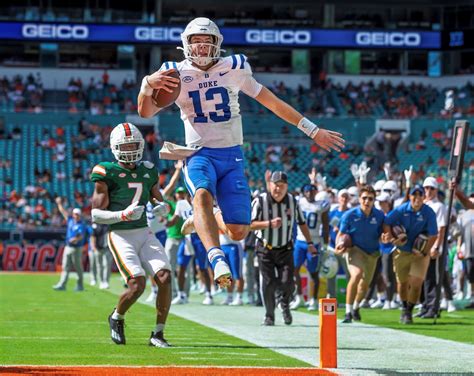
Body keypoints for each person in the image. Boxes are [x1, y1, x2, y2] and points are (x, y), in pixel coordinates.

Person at [137, 17, 344, 288]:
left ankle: (199, 220)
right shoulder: (173, 72)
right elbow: (146, 111)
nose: (200, 48)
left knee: (238, 231)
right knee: (201, 194)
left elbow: (272, 102)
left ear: (217, 44)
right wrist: (147, 84)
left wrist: (312, 130)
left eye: (206, 42)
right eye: (195, 42)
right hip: (197, 153)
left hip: (231, 155)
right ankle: (215, 256)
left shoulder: (234, 67)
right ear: (186, 45)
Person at [90, 122, 172, 347]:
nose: (130, 151)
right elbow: (96, 215)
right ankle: (116, 317)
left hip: (144, 232)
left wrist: (162, 206)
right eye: (125, 147)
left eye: (133, 145)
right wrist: (123, 215)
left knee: (165, 278)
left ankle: (158, 333)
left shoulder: (148, 169)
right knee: (137, 285)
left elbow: (156, 197)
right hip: (120, 234)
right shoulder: (106, 171)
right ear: (115, 148)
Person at [250, 171, 316, 326]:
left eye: (281, 186)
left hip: (285, 248)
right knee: (268, 282)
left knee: (288, 282)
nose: (278, 189)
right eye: (275, 185)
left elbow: (301, 223)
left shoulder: (293, 201)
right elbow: (250, 225)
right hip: (265, 247)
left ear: (287, 187)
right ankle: (269, 315)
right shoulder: (260, 200)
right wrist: (269, 223)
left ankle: (284, 304)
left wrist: (310, 243)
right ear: (270, 185)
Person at [384, 184, 438, 324]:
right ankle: (403, 306)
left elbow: (433, 235)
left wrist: (424, 251)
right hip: (401, 251)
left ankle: (409, 310)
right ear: (410, 196)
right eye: (414, 194)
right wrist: (391, 237)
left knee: (416, 283)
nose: (417, 198)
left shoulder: (429, 212)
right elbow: (386, 222)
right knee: (402, 283)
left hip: (419, 253)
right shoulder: (402, 209)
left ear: (424, 197)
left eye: (420, 195)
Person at [336, 185, 385, 323]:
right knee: (356, 274)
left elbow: (383, 234)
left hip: (373, 253)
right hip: (355, 250)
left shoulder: (379, 215)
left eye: (370, 198)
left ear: (374, 200)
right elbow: (341, 234)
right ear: (359, 199)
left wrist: (386, 238)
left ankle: (356, 306)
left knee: (364, 286)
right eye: (364, 198)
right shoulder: (349, 215)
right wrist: (339, 244)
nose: (367, 201)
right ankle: (347, 312)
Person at [418, 177, 454, 318]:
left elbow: (441, 228)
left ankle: (433, 307)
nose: (428, 191)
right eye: (426, 188)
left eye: (431, 188)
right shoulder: (422, 204)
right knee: (421, 277)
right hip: (421, 245)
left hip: (432, 245)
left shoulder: (439, 206)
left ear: (436, 190)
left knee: (432, 278)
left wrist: (436, 246)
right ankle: (424, 305)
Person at [290, 184, 329, 311]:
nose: (310, 194)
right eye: (307, 191)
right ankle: (299, 297)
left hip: (315, 242)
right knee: (295, 269)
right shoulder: (298, 203)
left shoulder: (321, 205)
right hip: (300, 241)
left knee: (313, 272)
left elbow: (325, 225)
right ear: (304, 193)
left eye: (312, 191)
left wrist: (325, 243)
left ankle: (313, 299)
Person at [53, 201, 88, 292]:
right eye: (74, 214)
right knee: (65, 266)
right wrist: (59, 203)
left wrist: (75, 239)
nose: (75, 216)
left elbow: (81, 236)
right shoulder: (70, 220)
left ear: (79, 215)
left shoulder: (81, 225)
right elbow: (63, 211)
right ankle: (62, 284)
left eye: (77, 214)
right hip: (68, 247)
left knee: (78, 267)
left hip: (76, 248)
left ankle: (80, 285)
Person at [327, 189, 350, 299]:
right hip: (333, 247)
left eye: (346, 197)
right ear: (338, 198)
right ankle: (331, 296)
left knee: (349, 274)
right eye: (342, 197)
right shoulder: (333, 213)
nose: (344, 199)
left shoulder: (351, 213)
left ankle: (350, 296)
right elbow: (327, 229)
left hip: (345, 248)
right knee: (331, 273)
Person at [458, 193, 474, 308]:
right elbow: (460, 233)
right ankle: (472, 296)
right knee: (470, 274)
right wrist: (459, 247)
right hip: (469, 250)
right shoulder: (464, 215)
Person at [90, 222, 112, 289]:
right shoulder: (96, 226)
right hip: (98, 248)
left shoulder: (109, 225)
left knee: (107, 265)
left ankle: (106, 282)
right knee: (99, 266)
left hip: (107, 248)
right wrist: (93, 247)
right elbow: (93, 236)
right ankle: (102, 281)